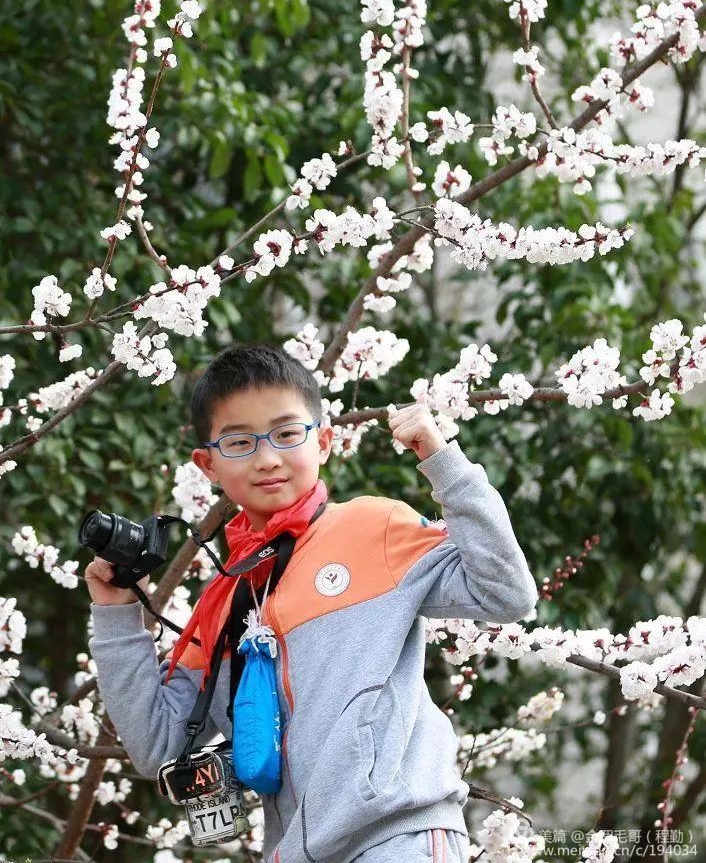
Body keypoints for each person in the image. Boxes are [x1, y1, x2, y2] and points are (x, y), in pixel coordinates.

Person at [85, 341, 538, 863]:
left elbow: (506, 592)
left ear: (323, 441)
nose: (268, 459)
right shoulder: (225, 600)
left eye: (285, 434)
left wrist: (444, 463)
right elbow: (158, 745)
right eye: (239, 443)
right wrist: (116, 613)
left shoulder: (374, 526)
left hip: (398, 836)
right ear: (207, 465)